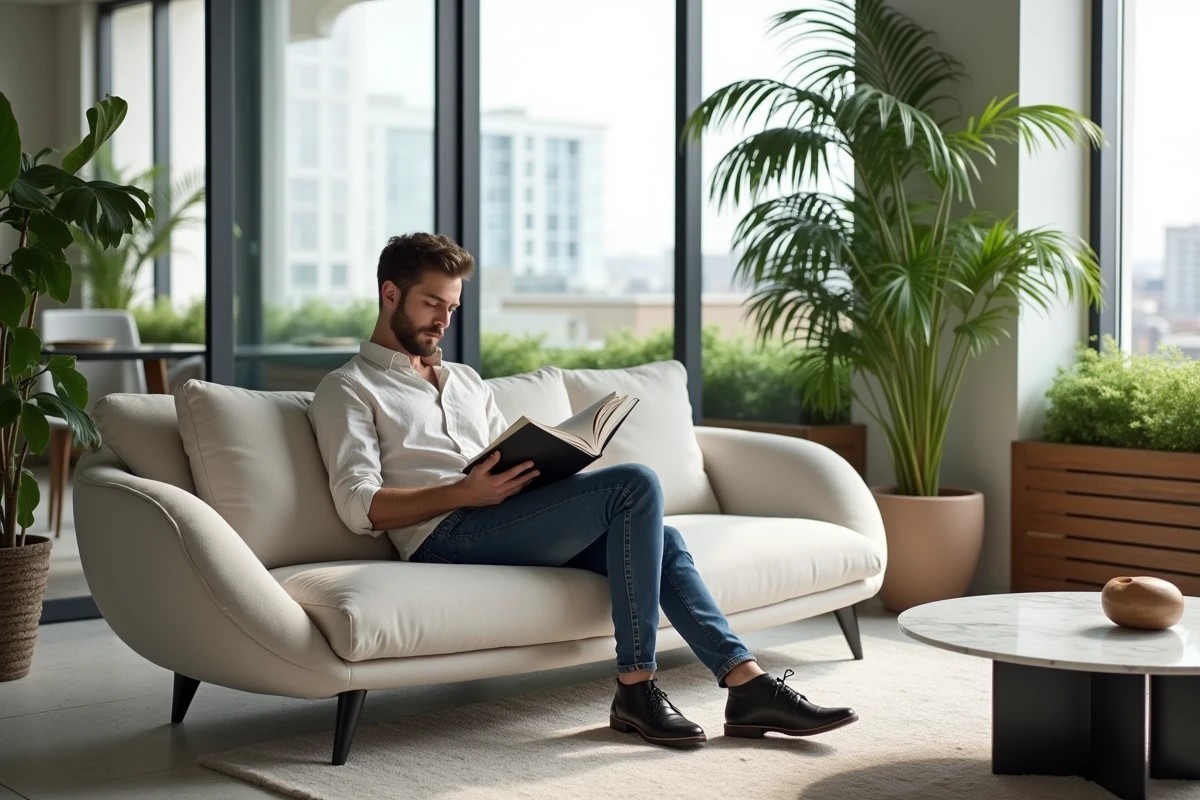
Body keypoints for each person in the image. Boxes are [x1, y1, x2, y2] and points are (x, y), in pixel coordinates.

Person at [309, 232, 859, 747]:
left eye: (451, 308)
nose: (443, 320)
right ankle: (635, 687)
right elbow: (359, 505)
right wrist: (463, 493)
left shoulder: (466, 381)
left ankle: (747, 686)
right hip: (444, 536)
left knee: (662, 540)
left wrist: (546, 469)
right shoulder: (348, 388)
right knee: (635, 483)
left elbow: (494, 459)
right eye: (432, 304)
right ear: (389, 293)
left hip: (505, 518)